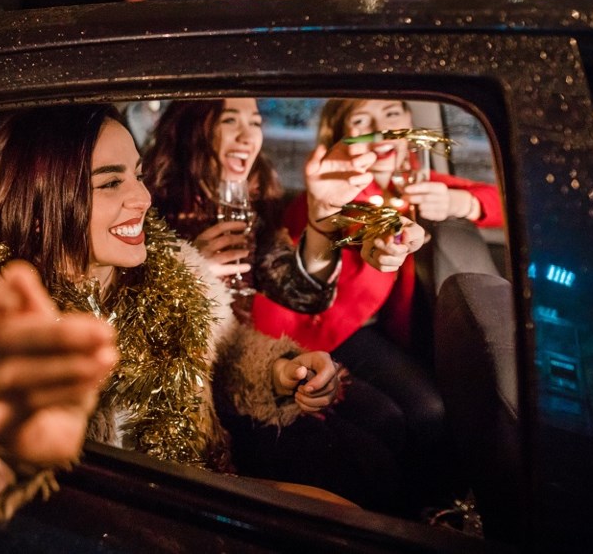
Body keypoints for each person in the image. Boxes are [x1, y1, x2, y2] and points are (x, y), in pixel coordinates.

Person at [0, 105, 348, 534]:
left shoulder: (175, 272)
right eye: (110, 182)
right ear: (43, 205)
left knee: (341, 515)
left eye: (137, 175)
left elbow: (222, 347)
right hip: (87, 528)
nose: (142, 197)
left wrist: (278, 371)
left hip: (196, 495)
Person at [142, 98, 426, 512]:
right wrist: (191, 267)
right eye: (229, 120)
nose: (248, 134)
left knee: (385, 425)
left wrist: (321, 218)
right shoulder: (150, 212)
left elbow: (302, 291)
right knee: (367, 458)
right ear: (191, 129)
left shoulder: (249, 208)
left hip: (247, 364)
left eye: (255, 121)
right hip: (199, 393)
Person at [252, 98, 504, 511]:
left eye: (392, 115)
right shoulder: (344, 187)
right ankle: (420, 515)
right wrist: (391, 237)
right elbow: (365, 224)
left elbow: (503, 198)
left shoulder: (411, 178)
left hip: (368, 329)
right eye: (363, 120)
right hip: (316, 333)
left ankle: (435, 511)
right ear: (343, 137)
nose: (382, 128)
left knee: (432, 409)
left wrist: (461, 203)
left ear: (408, 122)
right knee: (422, 412)